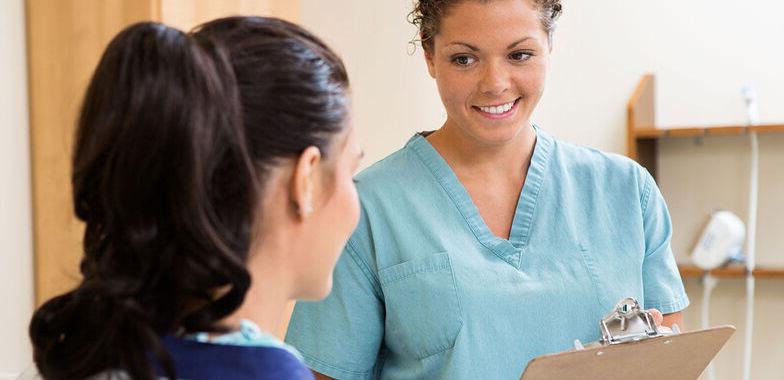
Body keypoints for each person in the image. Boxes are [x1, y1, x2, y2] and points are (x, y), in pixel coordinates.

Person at [284, 1, 689, 379]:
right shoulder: (367, 207)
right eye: (464, 59)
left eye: (519, 55)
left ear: (549, 45)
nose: (495, 84)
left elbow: (669, 361)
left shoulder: (625, 191)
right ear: (429, 56)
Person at [27, 16, 362, 380]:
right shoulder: (267, 373)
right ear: (306, 179)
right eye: (350, 170)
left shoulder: (83, 355)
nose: (353, 201)